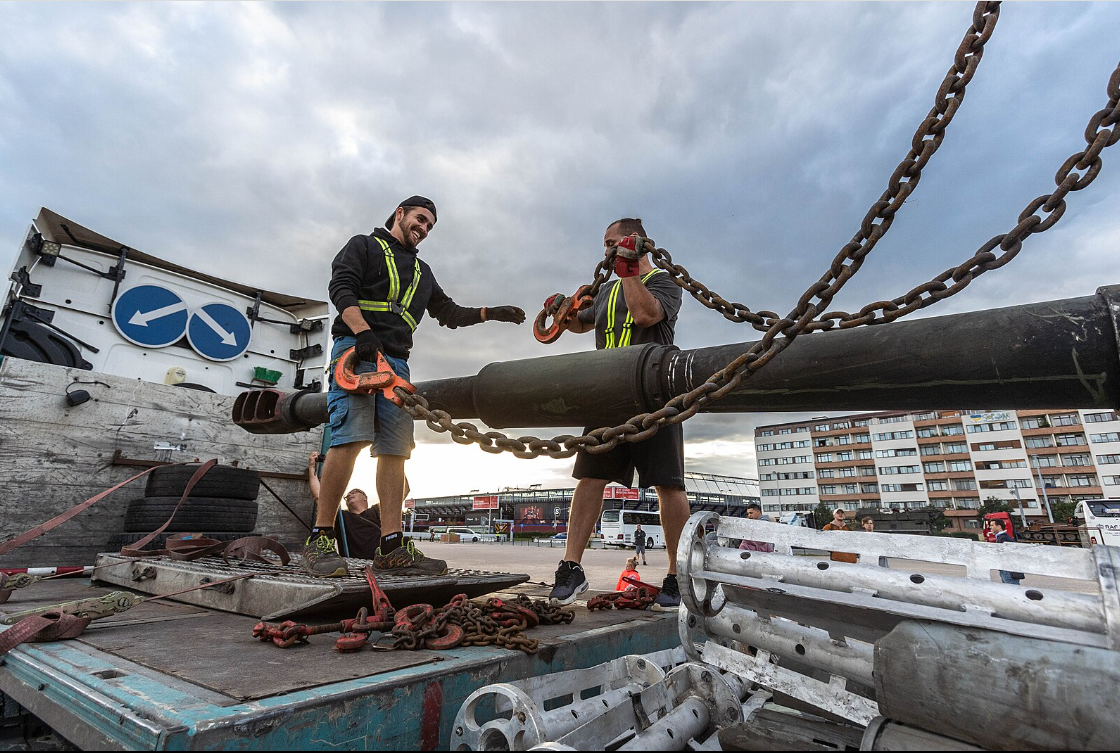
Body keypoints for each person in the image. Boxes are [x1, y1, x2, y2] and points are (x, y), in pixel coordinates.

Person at [304, 196, 527, 577]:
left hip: (396, 367)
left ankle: (390, 546)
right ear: (400, 214)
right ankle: (320, 539)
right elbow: (341, 288)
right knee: (351, 438)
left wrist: (492, 313)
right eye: (420, 219)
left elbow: (450, 314)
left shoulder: (423, 273)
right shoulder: (364, 246)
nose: (423, 228)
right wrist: (363, 334)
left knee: (395, 449)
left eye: (430, 226)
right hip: (356, 354)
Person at [546, 218, 685, 611]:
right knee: (589, 477)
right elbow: (578, 324)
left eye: (615, 242)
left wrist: (627, 271)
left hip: (655, 395)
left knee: (668, 485)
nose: (607, 250)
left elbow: (645, 316)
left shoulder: (663, 282)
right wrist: (563, 312)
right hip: (607, 394)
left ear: (636, 242)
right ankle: (571, 568)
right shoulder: (606, 289)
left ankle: (675, 576)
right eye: (605, 244)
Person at [307, 454, 383, 560]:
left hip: (377, 562)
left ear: (365, 498)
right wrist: (311, 467)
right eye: (347, 495)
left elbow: (401, 492)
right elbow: (319, 497)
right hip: (352, 565)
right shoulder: (341, 518)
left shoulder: (376, 511)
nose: (349, 495)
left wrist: (388, 459)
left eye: (354, 492)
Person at [991, 518, 1024, 586]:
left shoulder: (1003, 538)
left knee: (1012, 591)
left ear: (999, 526)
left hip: (1008, 570)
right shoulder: (1003, 537)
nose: (990, 527)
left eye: (992, 525)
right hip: (1006, 569)